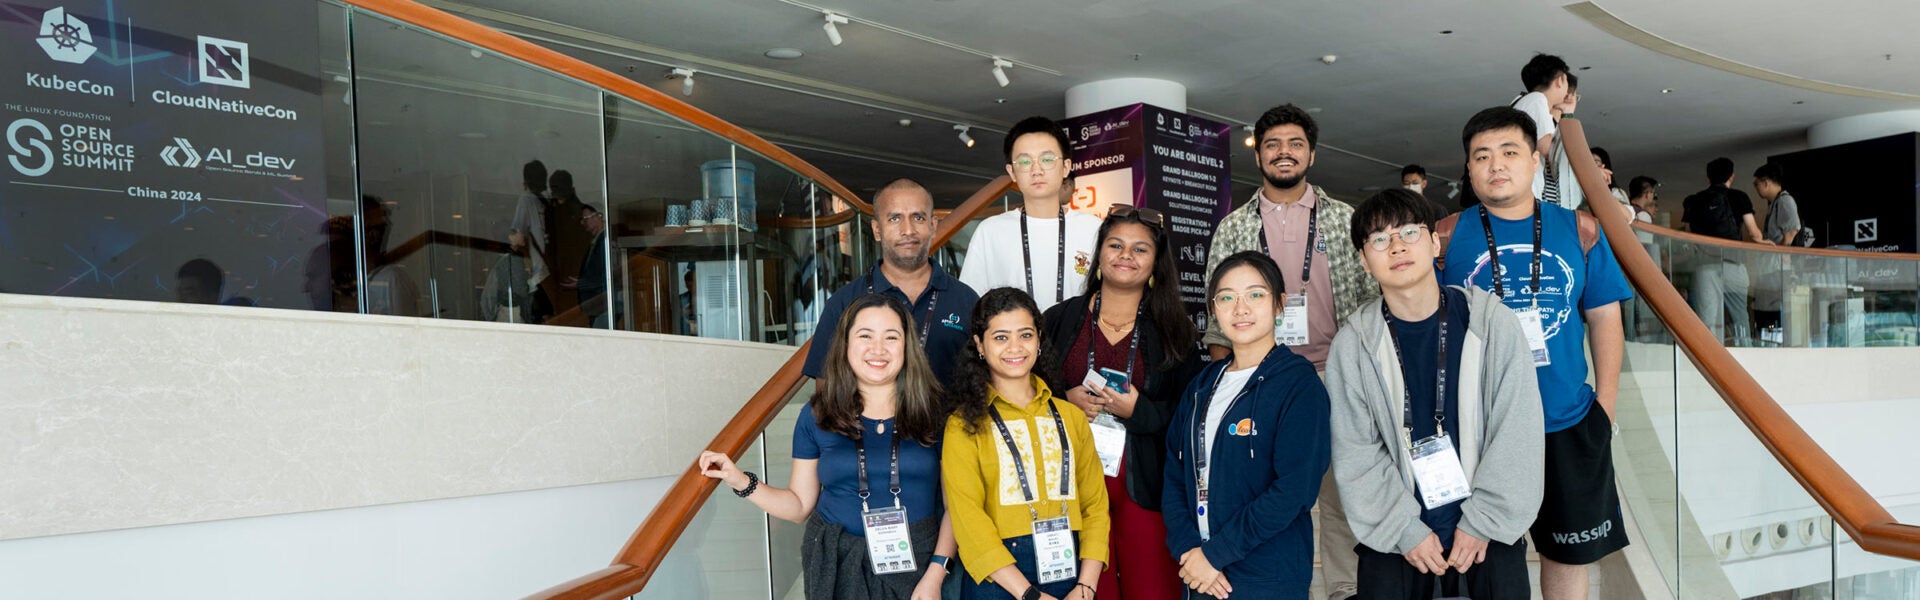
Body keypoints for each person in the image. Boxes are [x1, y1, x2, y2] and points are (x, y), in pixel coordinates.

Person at [1439, 107, 1632, 600]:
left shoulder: (1580, 230)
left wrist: (1605, 405)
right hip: (1479, 428)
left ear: (1534, 164)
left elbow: (1605, 318)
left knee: (1567, 555)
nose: (1495, 165)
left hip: (1567, 420)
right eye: (1481, 156)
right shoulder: (1443, 237)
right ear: (1469, 169)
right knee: (1485, 553)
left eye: (1509, 152)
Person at [1327, 189, 1545, 599]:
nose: (1395, 247)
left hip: (1488, 535)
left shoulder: (1492, 323)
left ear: (1434, 242)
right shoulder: (1353, 344)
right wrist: (1404, 530)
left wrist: (1483, 521)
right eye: (1378, 239)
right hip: (1396, 540)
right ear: (1362, 259)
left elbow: (1518, 430)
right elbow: (1356, 450)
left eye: (1408, 232)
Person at [1200, 103, 1374, 599]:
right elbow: (1217, 324)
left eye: (1295, 144)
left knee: (1344, 494)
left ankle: (1345, 589)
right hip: (1263, 378)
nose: (1284, 153)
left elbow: (1371, 300)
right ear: (1259, 156)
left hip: (1337, 374)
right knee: (1268, 492)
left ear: (1312, 154)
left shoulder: (1344, 220)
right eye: (1273, 144)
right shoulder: (1233, 228)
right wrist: (1232, 386)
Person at [697, 293, 955, 599]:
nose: (878, 349)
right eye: (865, 336)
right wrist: (740, 480)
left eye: (891, 337)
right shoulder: (818, 415)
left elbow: (956, 507)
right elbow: (798, 506)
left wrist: (937, 573)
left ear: (907, 347)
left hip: (921, 566)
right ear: (845, 345)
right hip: (836, 566)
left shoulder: (935, 412)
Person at [1040, 205, 1202, 600]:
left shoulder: (1174, 330)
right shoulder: (1058, 320)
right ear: (1099, 255)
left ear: (1155, 265)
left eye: (1140, 249)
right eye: (1115, 245)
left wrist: (1140, 413)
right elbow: (1025, 394)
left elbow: (1192, 415)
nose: (1126, 256)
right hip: (1070, 481)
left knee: (1151, 588)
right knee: (1086, 591)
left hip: (1143, 483)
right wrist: (1064, 402)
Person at [1162, 251, 1331, 599]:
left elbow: (1294, 491)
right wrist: (1189, 550)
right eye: (1226, 298)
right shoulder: (1201, 386)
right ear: (1214, 309)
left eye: (1255, 294)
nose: (1240, 308)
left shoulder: (1298, 385)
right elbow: (1175, 474)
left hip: (1266, 575)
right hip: (1199, 575)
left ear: (1279, 304)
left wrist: (1215, 554)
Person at [944, 287, 1110, 600]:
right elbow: (969, 520)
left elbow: (1096, 507)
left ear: (1039, 340)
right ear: (980, 344)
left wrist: (1086, 587)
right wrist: (1029, 594)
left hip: (1072, 575)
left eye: (1025, 335)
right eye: (1001, 337)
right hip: (999, 581)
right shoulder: (964, 424)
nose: (1015, 347)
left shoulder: (1071, 417)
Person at [807, 179, 980, 386]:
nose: (908, 230)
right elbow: (826, 386)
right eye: (894, 219)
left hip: (952, 419)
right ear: (877, 230)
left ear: (932, 226)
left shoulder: (966, 299)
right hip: (867, 419)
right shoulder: (845, 301)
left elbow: (983, 379)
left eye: (918, 217)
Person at [959, 117, 1103, 312]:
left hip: (1077, 340)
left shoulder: (1093, 228)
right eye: (1025, 161)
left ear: (1066, 167)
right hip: (1014, 341)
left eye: (1047, 159)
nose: (1036, 170)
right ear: (1012, 172)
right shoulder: (991, 231)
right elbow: (971, 302)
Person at [1681, 157, 1762, 346]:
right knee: (1739, 316)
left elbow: (1688, 234)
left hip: (1705, 266)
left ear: (1708, 178)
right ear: (1731, 176)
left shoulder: (1695, 200)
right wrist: (1765, 242)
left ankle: (1710, 361)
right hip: (1733, 264)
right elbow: (1754, 233)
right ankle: (1746, 354)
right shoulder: (1740, 197)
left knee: (1708, 319)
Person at [1511, 54, 1572, 209]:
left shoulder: (1526, 102)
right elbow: (1547, 148)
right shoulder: (1537, 100)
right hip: (1526, 192)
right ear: (1560, 80)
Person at [1752, 163, 1802, 334]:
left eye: (1756, 183)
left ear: (1766, 182)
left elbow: (1793, 229)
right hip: (1772, 269)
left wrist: (1782, 252)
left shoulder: (1785, 201)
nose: (1756, 188)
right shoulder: (1774, 204)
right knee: (1768, 314)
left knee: (1775, 314)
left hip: (1779, 270)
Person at [509, 160, 555, 323]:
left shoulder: (526, 199)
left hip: (536, 272)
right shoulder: (548, 201)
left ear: (525, 181)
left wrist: (508, 241)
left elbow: (518, 237)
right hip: (551, 270)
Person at [546, 169, 593, 318]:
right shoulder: (556, 212)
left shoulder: (575, 213)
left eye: (557, 187)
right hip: (567, 279)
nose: (554, 191)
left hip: (572, 279)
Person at [564, 202, 614, 328]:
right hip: (598, 306)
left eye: (585, 218)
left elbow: (604, 275)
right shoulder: (598, 240)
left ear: (600, 216)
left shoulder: (606, 241)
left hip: (603, 305)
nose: (583, 223)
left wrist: (581, 283)